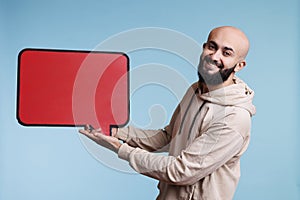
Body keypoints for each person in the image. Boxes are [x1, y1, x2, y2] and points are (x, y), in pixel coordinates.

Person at [79, 26, 256, 200]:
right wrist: (115, 132)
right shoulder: (195, 90)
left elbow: (181, 171)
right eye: (212, 46)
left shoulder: (234, 118)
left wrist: (120, 149)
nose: (214, 56)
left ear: (239, 65)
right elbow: (168, 136)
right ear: (204, 47)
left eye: (226, 53)